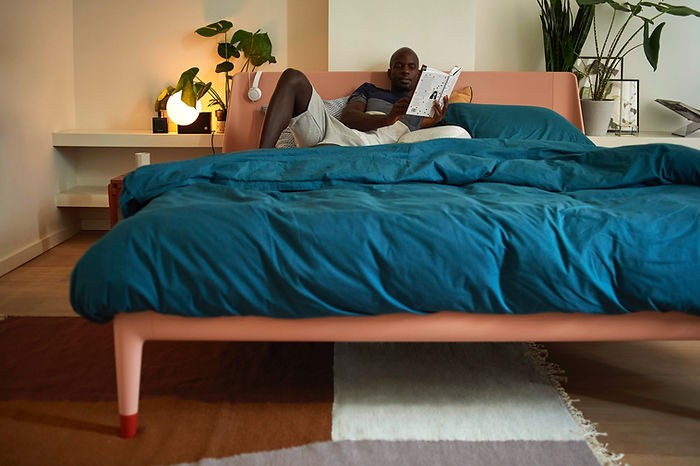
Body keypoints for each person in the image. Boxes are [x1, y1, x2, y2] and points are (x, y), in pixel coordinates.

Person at [258, 47, 449, 148]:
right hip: (338, 132)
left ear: (419, 74)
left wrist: (434, 121)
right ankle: (260, 157)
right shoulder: (369, 89)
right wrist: (388, 118)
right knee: (293, 77)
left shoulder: (422, 111)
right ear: (389, 73)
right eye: (399, 66)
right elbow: (349, 119)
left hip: (365, 146)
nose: (405, 71)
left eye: (411, 67)